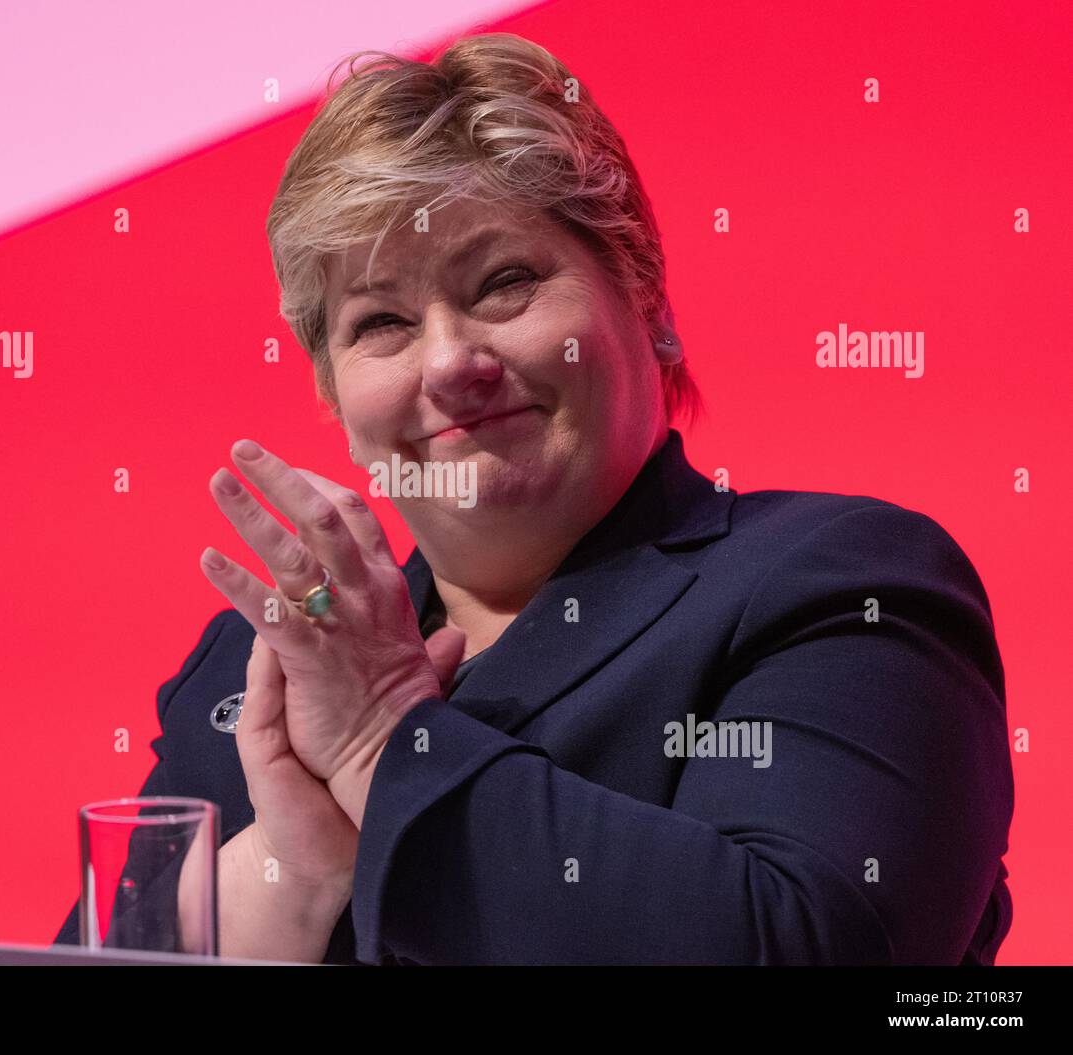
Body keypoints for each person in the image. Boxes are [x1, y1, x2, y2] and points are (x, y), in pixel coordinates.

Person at [54, 32, 1012, 965]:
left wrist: (387, 738)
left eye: (505, 283)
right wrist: (287, 869)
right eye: (380, 322)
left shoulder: (834, 580)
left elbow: (804, 942)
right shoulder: (267, 659)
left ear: (652, 306)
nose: (450, 363)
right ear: (331, 397)